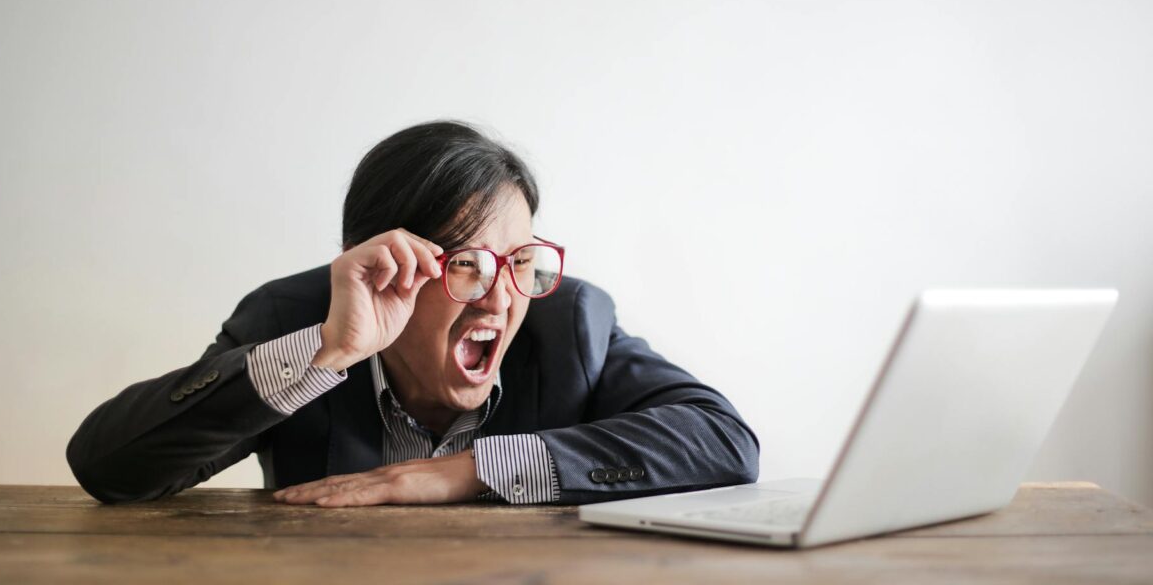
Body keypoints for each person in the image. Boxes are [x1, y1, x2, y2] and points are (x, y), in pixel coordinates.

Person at [66, 120, 760, 506]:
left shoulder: (569, 320)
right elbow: (107, 468)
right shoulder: (293, 316)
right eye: (465, 263)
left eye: (520, 260)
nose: (499, 296)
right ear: (378, 261)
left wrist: (467, 470)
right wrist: (327, 354)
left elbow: (724, 441)